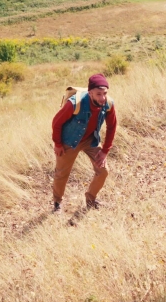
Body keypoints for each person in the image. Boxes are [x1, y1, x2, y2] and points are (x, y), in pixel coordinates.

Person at [50, 74, 117, 212]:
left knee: (103, 171)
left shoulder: (108, 104)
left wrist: (105, 151)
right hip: (69, 141)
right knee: (62, 173)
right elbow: (56, 123)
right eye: (98, 94)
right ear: (90, 92)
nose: (102, 98)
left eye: (105, 93)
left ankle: (91, 199)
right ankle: (57, 203)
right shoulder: (74, 104)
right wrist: (58, 144)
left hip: (90, 140)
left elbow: (112, 126)